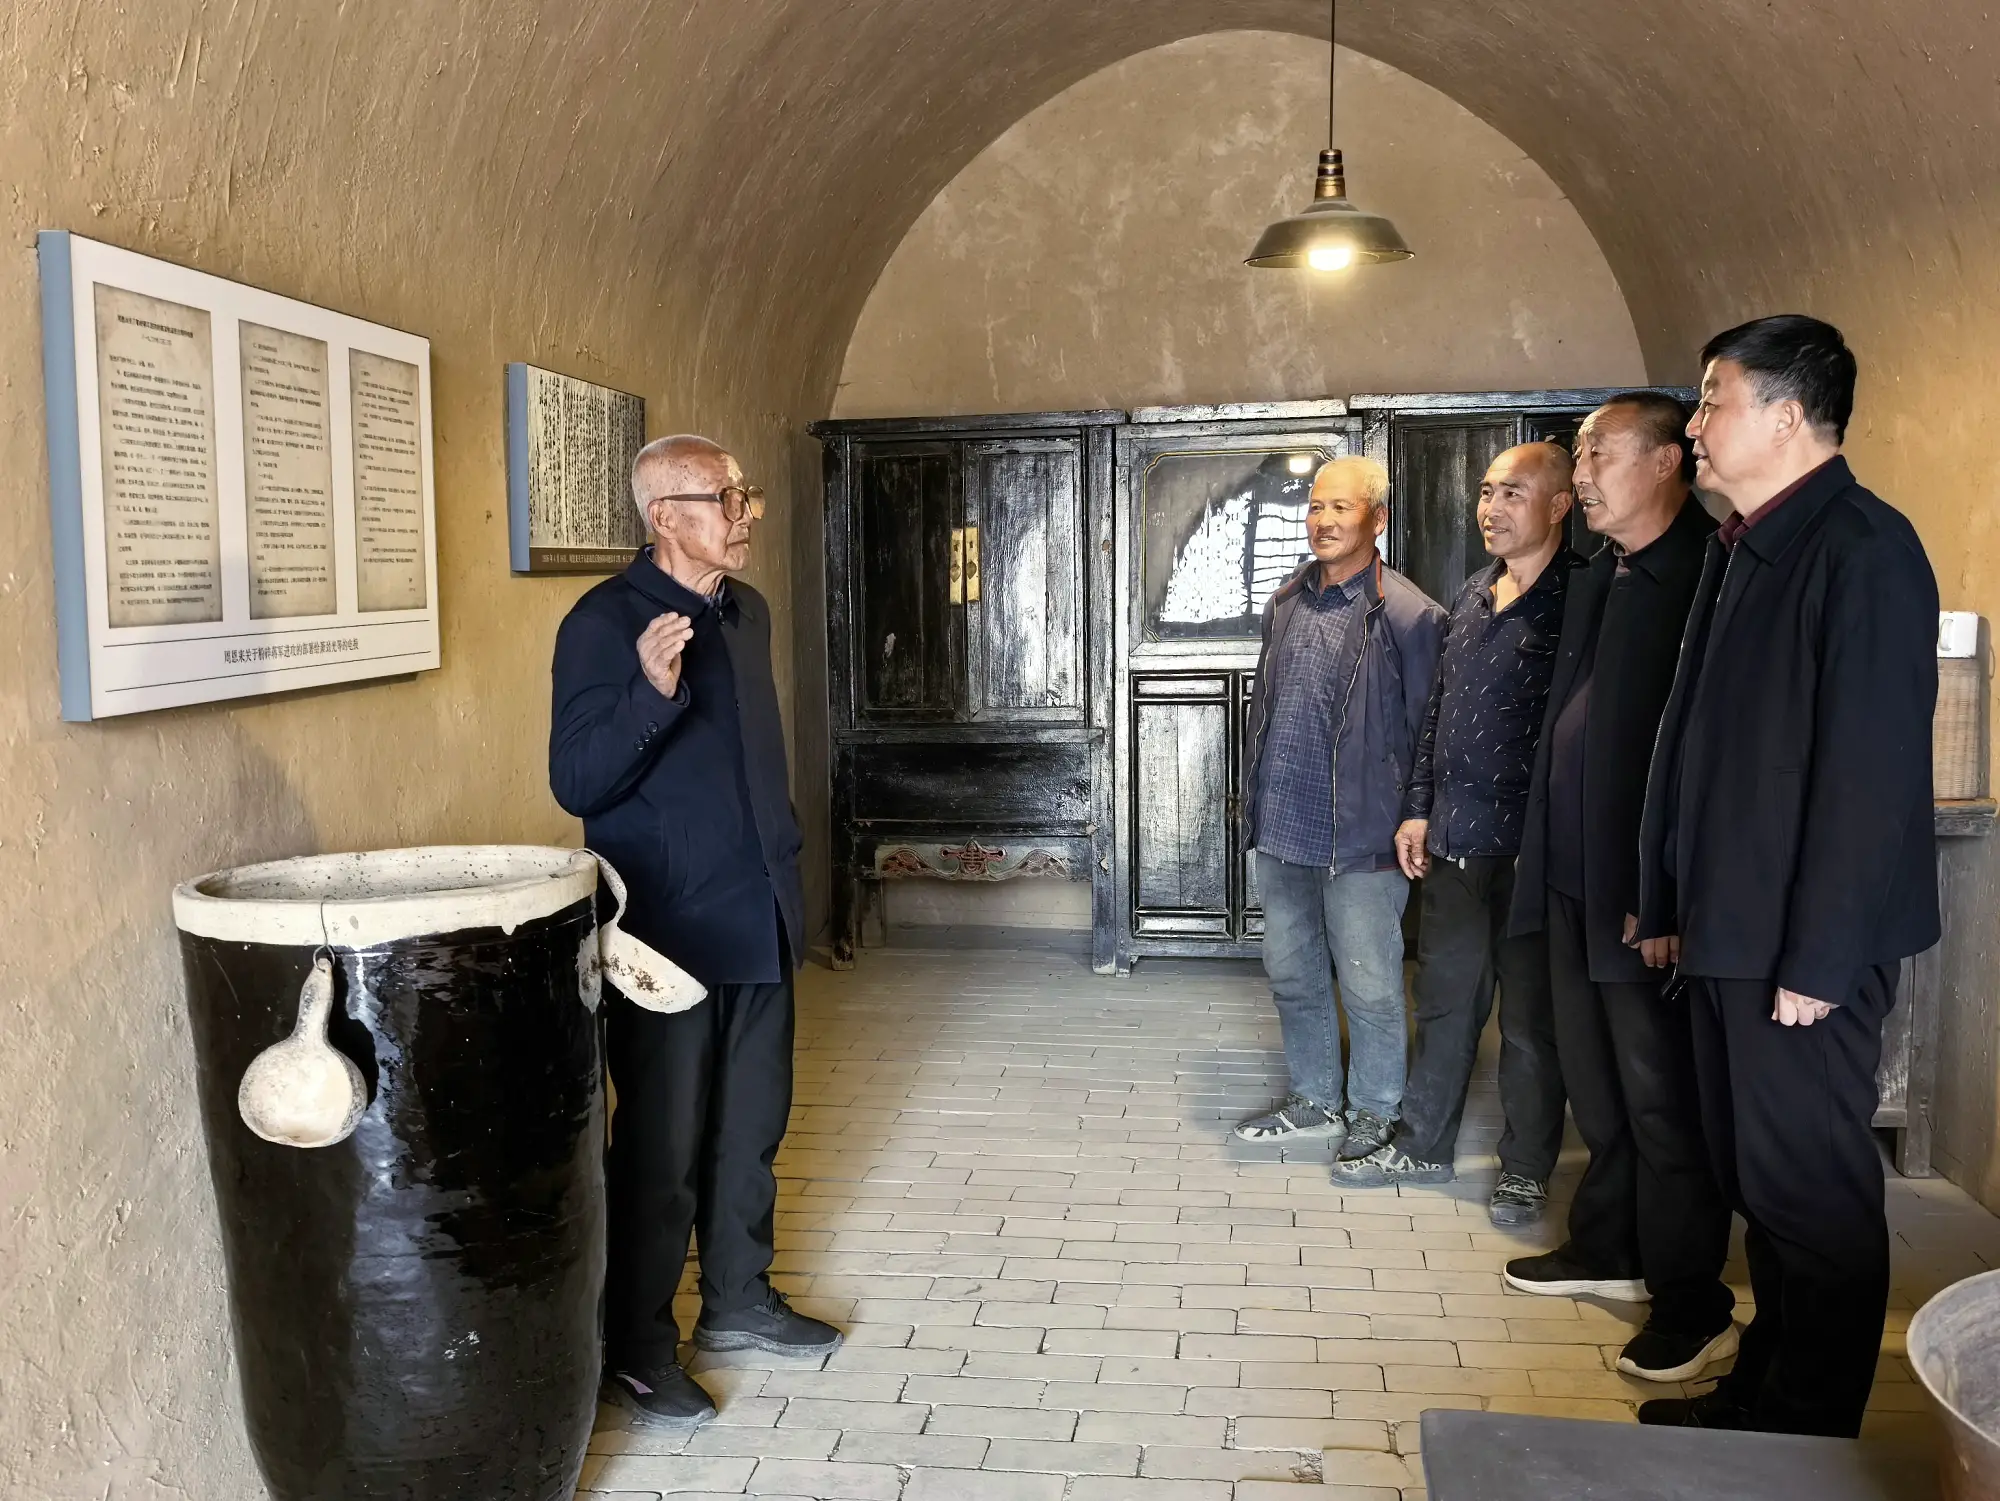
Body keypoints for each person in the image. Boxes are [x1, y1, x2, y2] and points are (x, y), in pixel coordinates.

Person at [1631, 317, 1938, 1437]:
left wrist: (1818, 958)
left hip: (1797, 950)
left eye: (1713, 400)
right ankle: (1763, 1391)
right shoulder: (1743, 543)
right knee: (1756, 1181)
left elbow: (1870, 778)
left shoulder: (1863, 548)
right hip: (1728, 927)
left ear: (1789, 415)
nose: (1694, 425)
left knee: (1809, 1185)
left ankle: (1807, 1429)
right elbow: (1695, 744)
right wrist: (1669, 904)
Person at [549, 435, 838, 1431]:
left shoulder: (745, 612)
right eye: (726, 497)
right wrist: (649, 692)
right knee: (659, 1150)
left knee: (751, 1127)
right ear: (665, 516)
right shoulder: (601, 623)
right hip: (665, 935)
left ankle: (738, 1298)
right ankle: (634, 1350)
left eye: (743, 494)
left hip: (757, 914)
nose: (744, 513)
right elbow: (576, 781)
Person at [1499, 395, 1737, 1384]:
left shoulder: (1710, 573)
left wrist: (1666, 891)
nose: (1582, 472)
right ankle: (1607, 1243)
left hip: (1641, 893)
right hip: (1571, 874)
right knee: (1596, 1085)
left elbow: (1708, 757)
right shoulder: (1604, 574)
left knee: (1661, 1101)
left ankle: (1692, 1300)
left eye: (1597, 453)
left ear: (1667, 460)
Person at [1336, 443, 1575, 1228]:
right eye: (1486, 491)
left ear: (1561, 505)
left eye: (1513, 493)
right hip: (1456, 838)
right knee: (1443, 1002)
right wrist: (1418, 807)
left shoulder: (1581, 597)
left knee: (1531, 1022)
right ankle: (1423, 1144)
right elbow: (1437, 710)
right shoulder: (1474, 593)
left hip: (1536, 850)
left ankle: (1525, 1169)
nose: (1491, 508)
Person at [1236, 457, 1446, 1158]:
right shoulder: (1286, 603)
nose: (1323, 521)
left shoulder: (1409, 614)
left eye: (1341, 508)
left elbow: (1429, 734)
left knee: (1371, 983)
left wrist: (1417, 813)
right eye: (1315, 507)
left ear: (1377, 519)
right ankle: (1315, 1099)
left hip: (1363, 836)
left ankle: (1376, 1109)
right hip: (1283, 826)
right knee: (1292, 973)